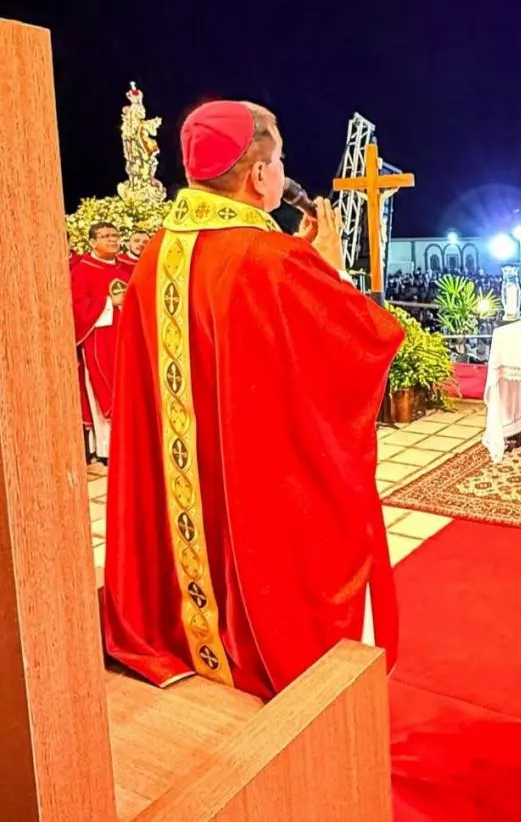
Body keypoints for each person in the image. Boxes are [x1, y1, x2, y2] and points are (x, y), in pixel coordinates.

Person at [102, 100, 404, 700]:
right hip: (250, 501)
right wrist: (329, 270)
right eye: (281, 159)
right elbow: (364, 342)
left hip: (183, 507)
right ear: (261, 175)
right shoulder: (271, 260)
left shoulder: (155, 254)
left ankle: (187, 631)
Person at [70, 222, 130, 463]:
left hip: (125, 339)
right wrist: (109, 302)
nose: (113, 240)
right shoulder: (82, 270)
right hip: (99, 340)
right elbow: (76, 307)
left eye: (115, 235)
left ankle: (128, 443)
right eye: (105, 236)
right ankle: (106, 449)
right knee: (104, 390)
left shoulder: (125, 269)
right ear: (93, 242)